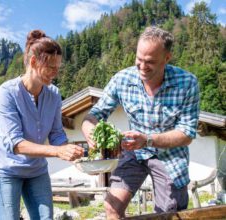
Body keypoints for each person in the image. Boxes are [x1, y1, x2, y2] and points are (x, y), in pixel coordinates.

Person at [81, 26, 200, 219]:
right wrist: (90, 132)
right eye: (139, 59)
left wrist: (148, 140)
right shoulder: (122, 79)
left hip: (170, 157)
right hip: (133, 152)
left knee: (168, 214)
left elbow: (186, 134)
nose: (142, 67)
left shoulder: (187, 83)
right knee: (112, 207)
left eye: (150, 62)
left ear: (167, 58)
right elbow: (94, 115)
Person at [0, 30, 84, 220]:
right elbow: (15, 144)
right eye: (51, 67)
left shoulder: (54, 94)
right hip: (6, 169)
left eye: (58, 67)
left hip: (36, 170)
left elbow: (56, 134)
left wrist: (73, 152)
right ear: (33, 62)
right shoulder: (6, 93)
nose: (56, 73)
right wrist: (57, 152)